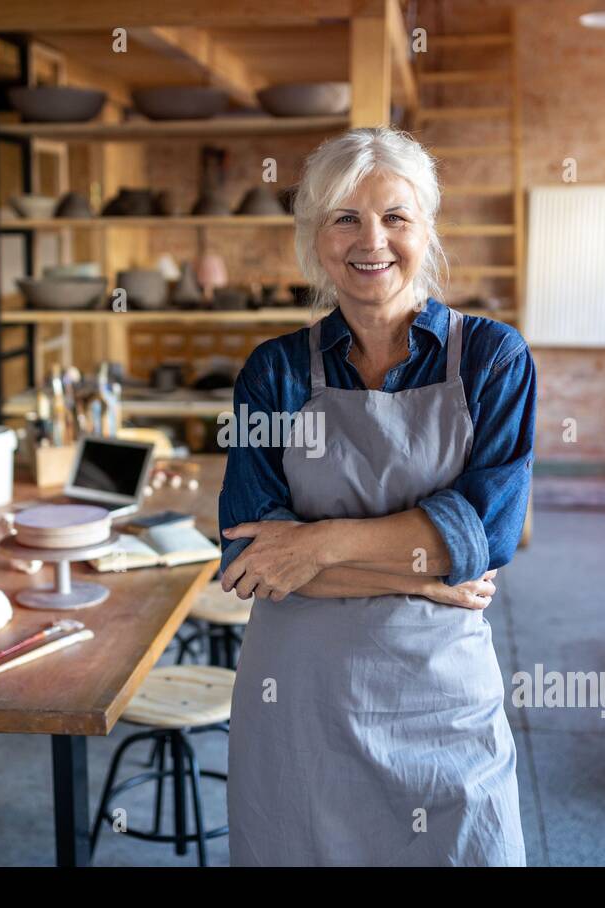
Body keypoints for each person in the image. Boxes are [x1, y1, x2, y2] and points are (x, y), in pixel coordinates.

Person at [217, 126, 536, 865]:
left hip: (441, 697)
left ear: (426, 229)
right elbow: (247, 554)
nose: (373, 240)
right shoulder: (274, 372)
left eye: (395, 216)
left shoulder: (492, 358)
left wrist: (317, 545)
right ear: (316, 237)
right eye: (345, 218)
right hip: (299, 698)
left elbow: (485, 535)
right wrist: (428, 568)